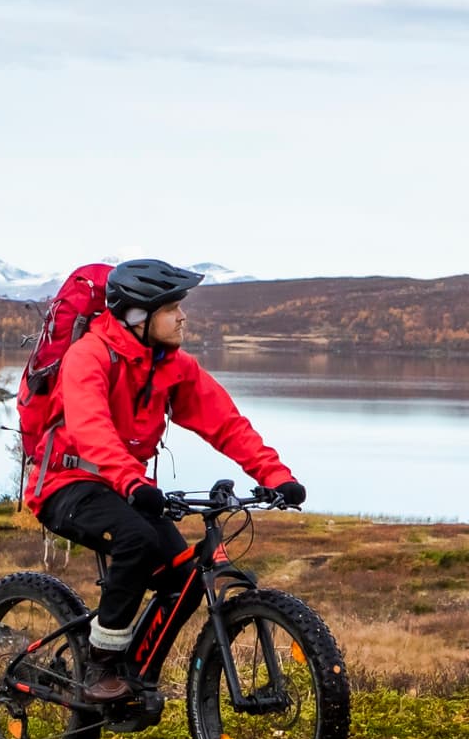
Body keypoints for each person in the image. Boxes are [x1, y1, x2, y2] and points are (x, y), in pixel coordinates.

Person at [27, 258, 303, 703]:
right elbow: (90, 428)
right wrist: (133, 483)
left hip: (124, 484)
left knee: (186, 579)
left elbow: (226, 423)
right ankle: (101, 663)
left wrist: (276, 476)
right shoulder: (90, 356)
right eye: (172, 308)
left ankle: (134, 679)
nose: (183, 316)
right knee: (135, 538)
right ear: (138, 315)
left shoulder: (171, 364)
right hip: (66, 483)